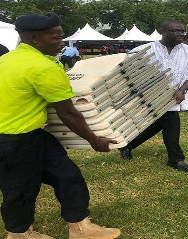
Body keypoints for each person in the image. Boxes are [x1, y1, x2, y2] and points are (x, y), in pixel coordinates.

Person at [0, 12, 121, 239]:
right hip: (11, 141)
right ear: (33, 39)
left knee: (67, 176)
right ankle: (18, 235)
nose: (62, 43)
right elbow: (68, 114)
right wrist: (95, 140)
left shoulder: (7, 60)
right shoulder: (42, 68)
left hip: (34, 135)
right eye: (56, 38)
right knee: (20, 191)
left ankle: (80, 228)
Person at [118, 20, 188, 173]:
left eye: (182, 31)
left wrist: (182, 90)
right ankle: (176, 160)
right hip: (152, 97)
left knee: (158, 125)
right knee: (172, 124)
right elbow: (125, 67)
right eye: (175, 31)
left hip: (175, 96)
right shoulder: (145, 50)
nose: (180, 34)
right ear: (163, 32)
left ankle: (126, 146)